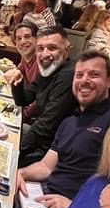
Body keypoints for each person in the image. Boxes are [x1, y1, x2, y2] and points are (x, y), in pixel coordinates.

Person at [15, 51, 110, 208]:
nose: (84, 80)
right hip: (42, 200)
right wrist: (20, 173)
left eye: (94, 75)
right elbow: (46, 167)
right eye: (79, 75)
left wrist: (73, 207)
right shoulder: (69, 121)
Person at [13, 26, 78, 167]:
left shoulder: (68, 75)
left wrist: (14, 153)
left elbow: (45, 126)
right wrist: (17, 82)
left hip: (53, 150)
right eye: (40, 48)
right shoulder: (49, 69)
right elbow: (24, 100)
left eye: (52, 48)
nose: (45, 54)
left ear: (66, 49)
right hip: (41, 137)